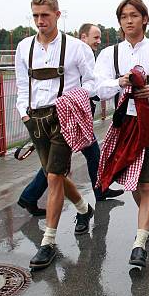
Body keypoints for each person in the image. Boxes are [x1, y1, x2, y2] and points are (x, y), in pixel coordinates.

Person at [94, 0, 149, 268]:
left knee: (147, 183)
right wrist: (118, 82)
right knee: (133, 183)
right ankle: (148, 220)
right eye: (124, 16)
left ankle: (139, 242)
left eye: (134, 15)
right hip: (125, 122)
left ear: (145, 19)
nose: (129, 20)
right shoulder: (110, 54)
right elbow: (98, 86)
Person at [15, 0, 97, 269]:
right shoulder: (24, 47)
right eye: (36, 15)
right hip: (35, 118)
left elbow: (92, 84)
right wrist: (24, 113)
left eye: (45, 15)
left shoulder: (76, 48)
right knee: (56, 174)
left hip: (63, 117)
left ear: (58, 15)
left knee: (53, 177)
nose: (40, 21)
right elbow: (22, 85)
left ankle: (47, 242)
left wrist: (72, 102)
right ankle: (84, 209)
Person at [17, 24, 123, 217]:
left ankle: (31, 197)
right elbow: (91, 85)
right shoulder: (76, 53)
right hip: (69, 115)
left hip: (77, 113)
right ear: (83, 37)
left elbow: (91, 84)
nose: (99, 41)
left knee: (66, 160)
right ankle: (96, 192)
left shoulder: (81, 53)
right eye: (96, 37)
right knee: (63, 162)